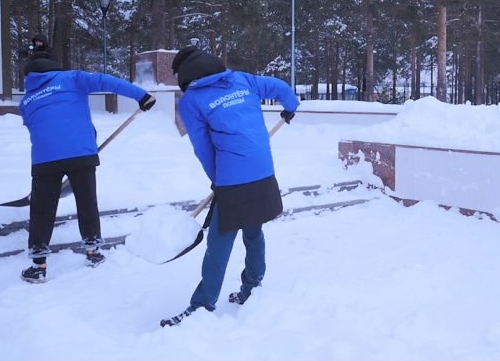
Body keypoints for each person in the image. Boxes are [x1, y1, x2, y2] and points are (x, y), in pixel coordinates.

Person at [160, 47, 299, 327]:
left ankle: (202, 304)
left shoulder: (191, 101)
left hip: (233, 177)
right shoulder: (242, 80)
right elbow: (281, 87)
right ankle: (253, 288)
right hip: (263, 169)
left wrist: (217, 179)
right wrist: (291, 106)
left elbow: (203, 148)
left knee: (219, 242)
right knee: (253, 231)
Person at [19, 35, 157, 283]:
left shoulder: (27, 100)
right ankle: (93, 252)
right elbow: (107, 81)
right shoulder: (72, 78)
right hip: (81, 154)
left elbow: (36, 128)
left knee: (41, 210)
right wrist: (141, 96)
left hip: (45, 159)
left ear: (28, 76)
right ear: (54, 66)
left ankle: (38, 265)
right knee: (86, 201)